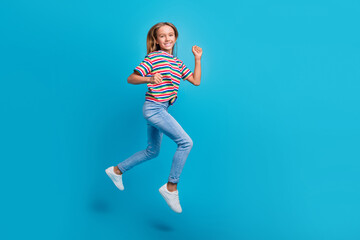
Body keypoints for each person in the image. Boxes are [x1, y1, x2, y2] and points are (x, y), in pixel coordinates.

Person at [105, 22, 202, 213]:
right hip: (154, 109)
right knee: (186, 143)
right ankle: (171, 187)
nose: (167, 39)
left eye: (171, 35)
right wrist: (149, 78)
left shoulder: (177, 63)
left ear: (176, 37)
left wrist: (197, 59)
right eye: (162, 36)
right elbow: (131, 78)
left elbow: (196, 81)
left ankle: (117, 170)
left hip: (161, 109)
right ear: (156, 40)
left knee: (152, 151)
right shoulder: (154, 57)